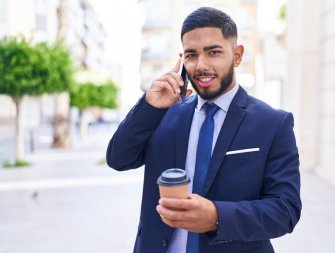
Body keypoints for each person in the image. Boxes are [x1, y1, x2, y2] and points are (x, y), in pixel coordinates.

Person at [106, 6, 301, 253]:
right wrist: (148, 107)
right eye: (191, 55)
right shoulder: (163, 113)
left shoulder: (273, 123)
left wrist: (216, 216)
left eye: (214, 52)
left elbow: (285, 211)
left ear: (237, 55)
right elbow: (118, 159)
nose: (201, 65)